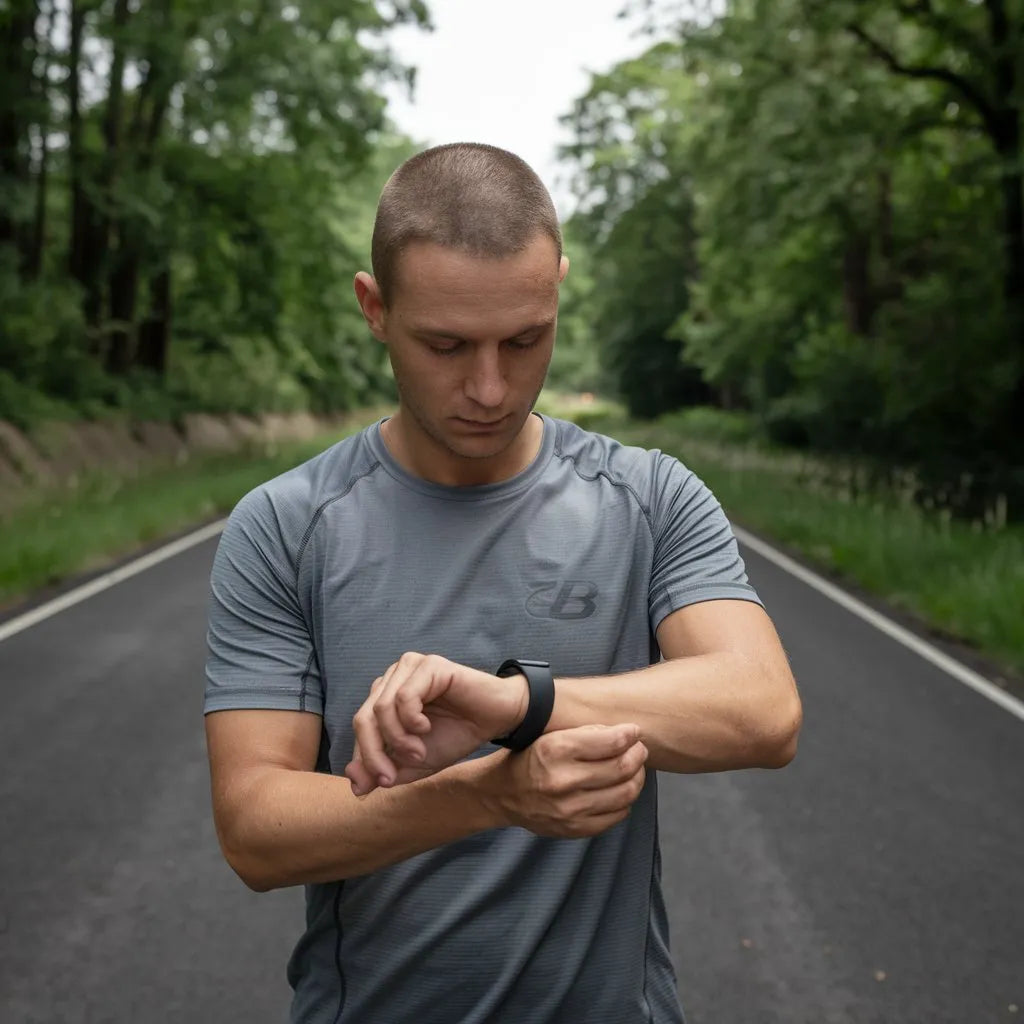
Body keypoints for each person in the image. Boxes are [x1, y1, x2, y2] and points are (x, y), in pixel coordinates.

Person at [204, 142, 802, 1024]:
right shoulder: (287, 526)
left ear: (557, 287)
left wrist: (515, 706)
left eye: (525, 340)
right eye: (446, 345)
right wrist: (486, 797)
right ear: (375, 308)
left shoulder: (650, 496)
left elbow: (763, 709)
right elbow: (256, 830)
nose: (489, 388)